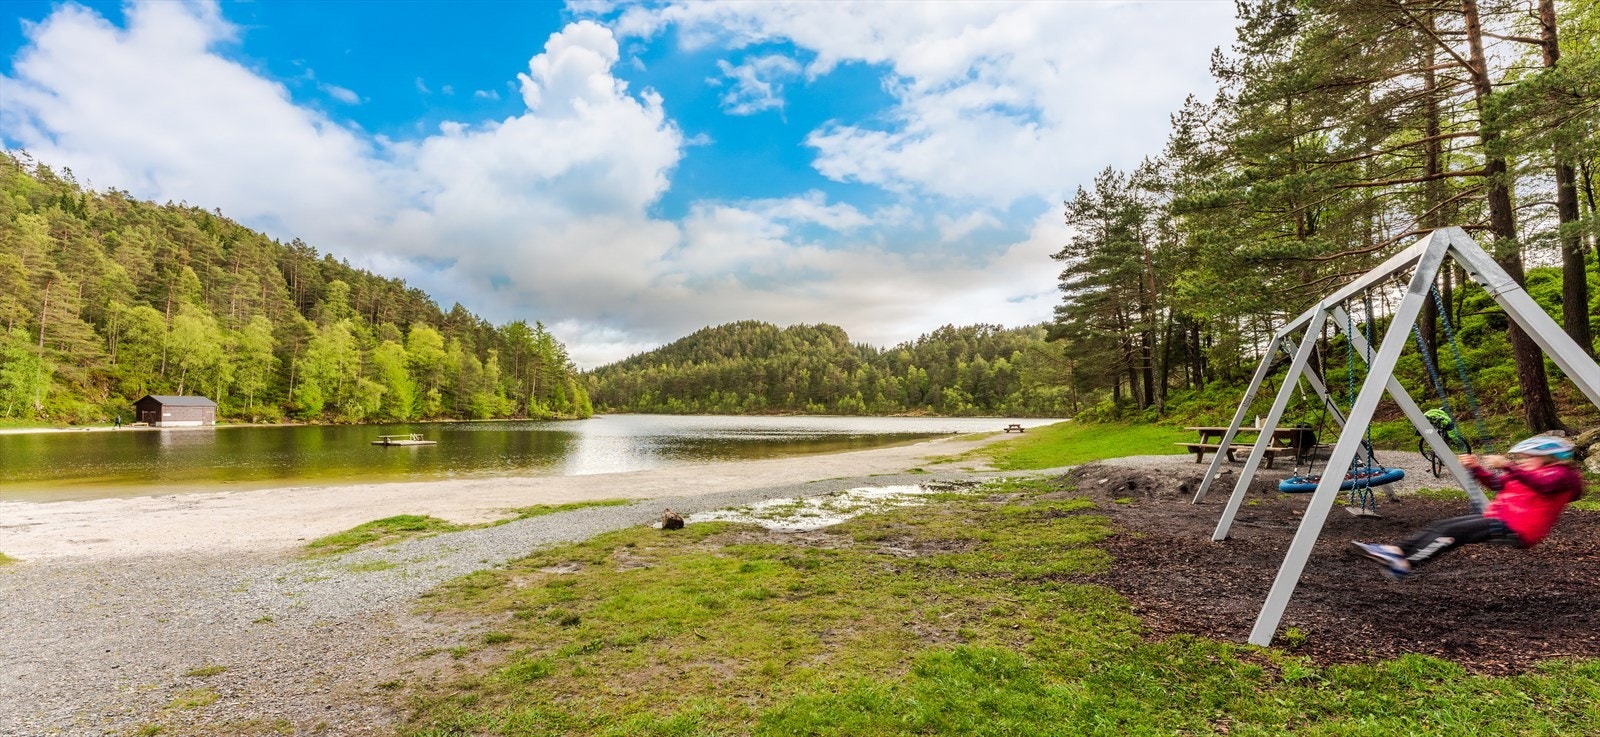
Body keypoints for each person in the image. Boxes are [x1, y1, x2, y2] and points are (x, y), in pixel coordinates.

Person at [1352, 435, 1586, 581]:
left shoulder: (1564, 476)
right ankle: (1396, 550)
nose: (1522, 461)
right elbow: (1496, 484)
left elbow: (1544, 486)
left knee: (1451, 533)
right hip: (1500, 519)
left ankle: (1406, 563)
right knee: (1442, 525)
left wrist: (1508, 466)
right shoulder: (1527, 473)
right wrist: (1476, 468)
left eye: (1528, 457)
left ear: (1548, 458)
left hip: (1518, 528)